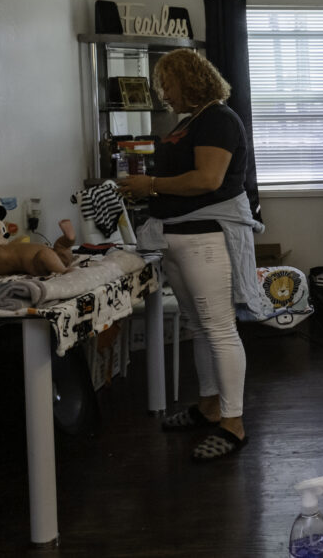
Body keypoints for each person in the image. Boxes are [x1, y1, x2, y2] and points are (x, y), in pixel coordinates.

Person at [118, 48, 261, 462]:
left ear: (190, 80)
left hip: (206, 239)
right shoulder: (190, 123)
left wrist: (152, 186)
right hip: (178, 238)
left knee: (218, 329)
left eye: (168, 83)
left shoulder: (218, 119)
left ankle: (233, 423)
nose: (164, 92)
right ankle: (209, 405)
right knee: (199, 328)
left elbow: (208, 178)